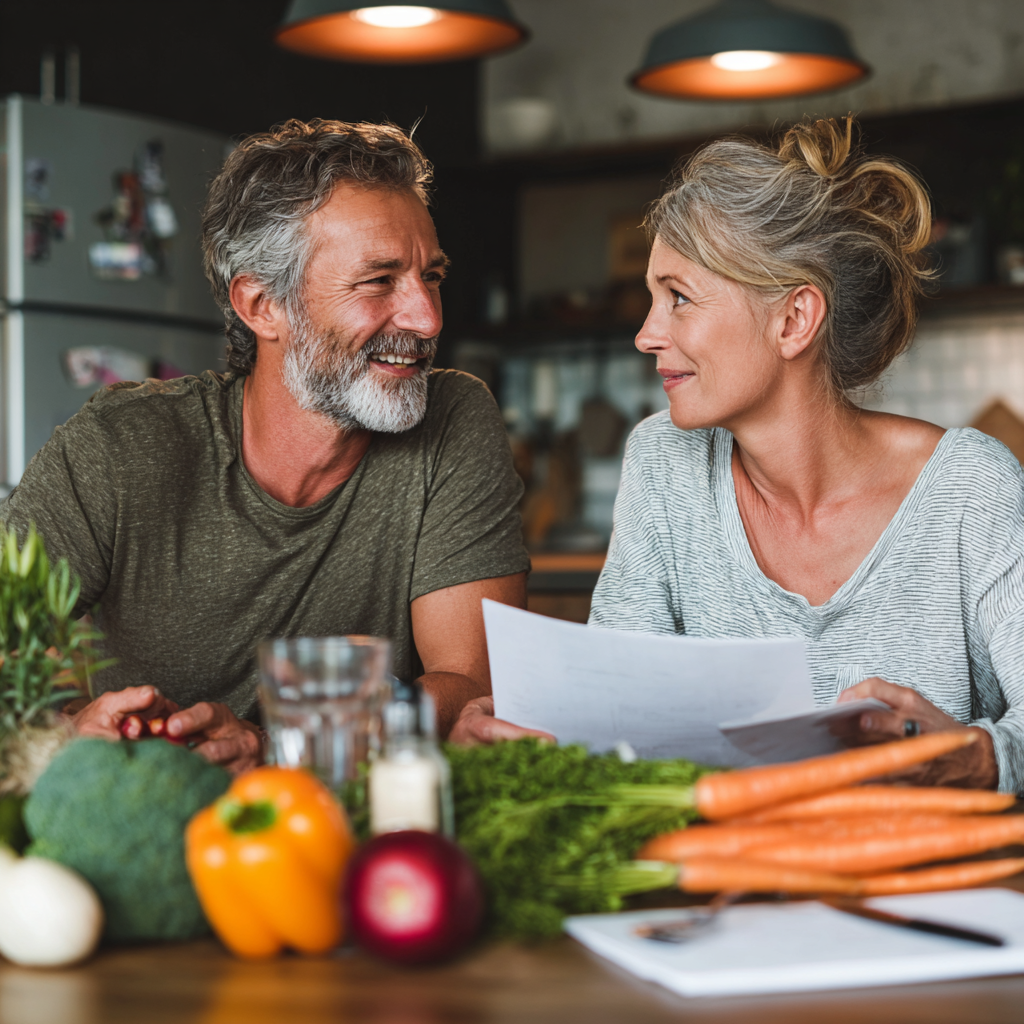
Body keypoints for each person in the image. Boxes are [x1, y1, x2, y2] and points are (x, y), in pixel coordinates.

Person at [0, 119, 544, 772]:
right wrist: (68, 731)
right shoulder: (120, 445)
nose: (428, 318)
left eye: (431, 277)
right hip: (142, 822)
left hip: (350, 837)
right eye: (378, 281)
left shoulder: (453, 420)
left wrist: (276, 746)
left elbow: (469, 685)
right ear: (262, 306)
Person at [583, 116, 1023, 792]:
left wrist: (978, 756)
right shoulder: (664, 463)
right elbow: (611, 714)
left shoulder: (971, 487)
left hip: (942, 889)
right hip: (731, 886)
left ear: (793, 320)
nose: (646, 335)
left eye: (679, 298)